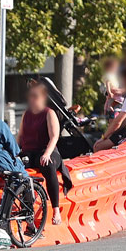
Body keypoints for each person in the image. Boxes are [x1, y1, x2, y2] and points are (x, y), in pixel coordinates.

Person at [18, 80, 73, 225]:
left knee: (48, 166)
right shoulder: (26, 114)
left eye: (35, 96)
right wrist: (14, 153)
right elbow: (20, 136)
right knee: (16, 167)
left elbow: (54, 136)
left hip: (46, 149)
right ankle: (25, 207)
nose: (32, 100)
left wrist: (47, 153)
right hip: (29, 151)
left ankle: (56, 209)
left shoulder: (49, 113)